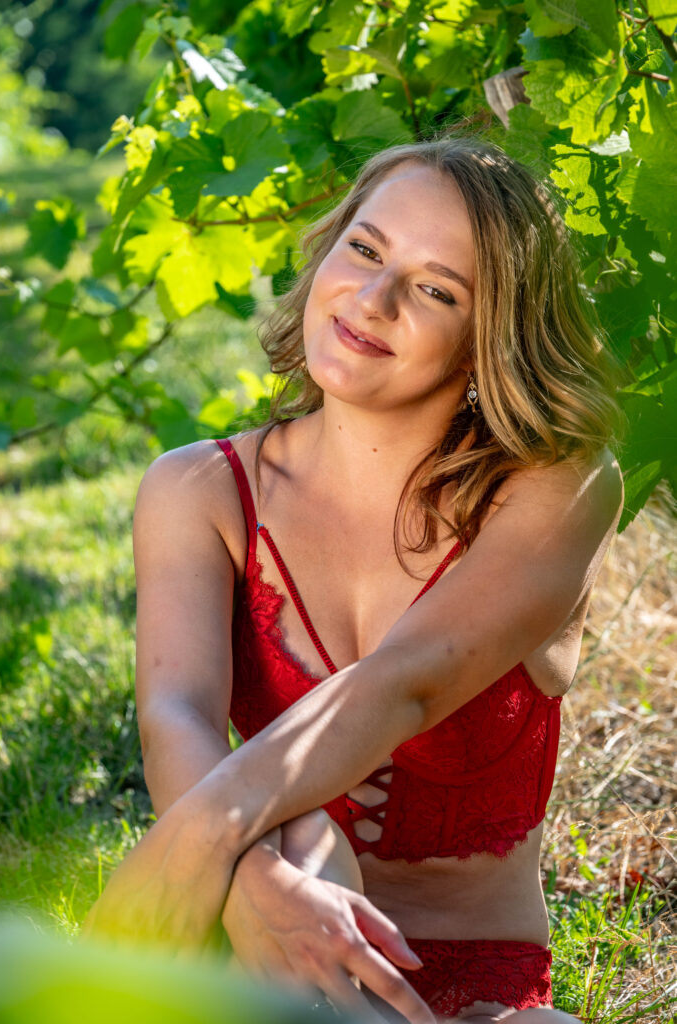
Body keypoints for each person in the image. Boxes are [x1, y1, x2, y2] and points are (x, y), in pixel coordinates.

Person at [84, 133, 624, 1023]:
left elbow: (407, 682)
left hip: (472, 983)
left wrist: (193, 841)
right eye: (364, 249)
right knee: (304, 835)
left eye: (436, 290)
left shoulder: (556, 487)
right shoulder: (199, 489)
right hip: (259, 939)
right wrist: (251, 885)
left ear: (488, 340)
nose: (372, 300)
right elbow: (175, 714)